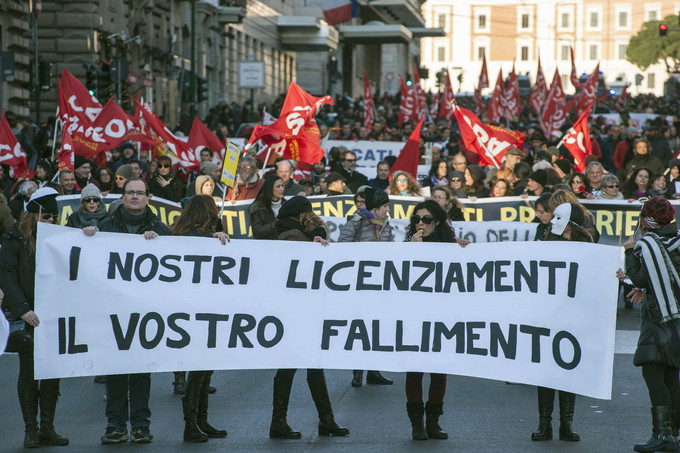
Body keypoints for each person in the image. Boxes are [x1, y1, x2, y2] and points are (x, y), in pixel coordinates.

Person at [83, 178, 171, 444]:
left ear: (148, 197)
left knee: (141, 371)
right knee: (116, 369)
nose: (134, 196)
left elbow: (178, 261)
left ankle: (141, 425)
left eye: (139, 193)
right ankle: (116, 425)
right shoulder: (105, 227)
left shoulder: (160, 229)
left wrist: (159, 244)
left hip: (145, 312)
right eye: (130, 192)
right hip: (113, 311)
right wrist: (86, 237)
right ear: (122, 197)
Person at [269, 196, 349, 439]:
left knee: (308, 365)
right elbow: (301, 268)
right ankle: (284, 421)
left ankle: (322, 418)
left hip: (302, 309)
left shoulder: (297, 233)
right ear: (303, 214)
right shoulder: (293, 235)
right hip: (298, 311)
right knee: (294, 366)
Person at [0, 187, 69, 448]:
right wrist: (23, 309)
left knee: (51, 372)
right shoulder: (14, 240)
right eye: (46, 216)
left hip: (54, 316)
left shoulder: (59, 239)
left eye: (54, 216)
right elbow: (7, 275)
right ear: (33, 215)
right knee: (29, 374)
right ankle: (31, 428)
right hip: (30, 316)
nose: (51, 220)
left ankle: (48, 427)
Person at [619, 197, 680, 452]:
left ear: (648, 220)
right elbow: (663, 281)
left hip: (659, 318)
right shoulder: (676, 241)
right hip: (676, 317)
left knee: (653, 372)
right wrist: (646, 290)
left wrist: (629, 253)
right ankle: (673, 433)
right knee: (670, 374)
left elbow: (643, 277)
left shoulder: (651, 244)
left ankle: (662, 434)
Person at [531, 202, 593, 443]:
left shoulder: (587, 246)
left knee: (568, 369)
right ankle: (544, 423)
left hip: (573, 316)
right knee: (546, 371)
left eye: (559, 217)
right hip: (547, 315)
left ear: (571, 223)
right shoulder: (545, 243)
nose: (552, 221)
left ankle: (566, 423)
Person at [404, 199, 466, 440]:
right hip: (415, 316)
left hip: (441, 316)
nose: (421, 223)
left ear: (437, 222)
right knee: (415, 371)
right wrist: (411, 249)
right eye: (416, 219)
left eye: (426, 219)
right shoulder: (408, 245)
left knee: (439, 372)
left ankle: (433, 421)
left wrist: (464, 249)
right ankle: (416, 423)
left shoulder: (449, 246)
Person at [171, 195, 229, 442]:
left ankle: (201, 421)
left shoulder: (200, 235)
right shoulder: (190, 238)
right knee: (198, 369)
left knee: (206, 369)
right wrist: (211, 241)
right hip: (193, 311)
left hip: (204, 309)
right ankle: (191, 423)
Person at [337, 187, 394, 386]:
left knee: (376, 327)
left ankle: (373, 371)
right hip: (359, 285)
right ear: (375, 207)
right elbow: (341, 246)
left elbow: (393, 250)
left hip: (379, 284)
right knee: (360, 328)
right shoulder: (356, 222)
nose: (388, 209)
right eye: (385, 206)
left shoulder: (386, 225)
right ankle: (358, 372)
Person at [248, 175, 285, 240]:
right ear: (270, 188)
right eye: (278, 186)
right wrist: (276, 224)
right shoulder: (258, 207)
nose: (282, 189)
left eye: (282, 186)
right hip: (266, 244)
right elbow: (257, 232)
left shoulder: (287, 204)